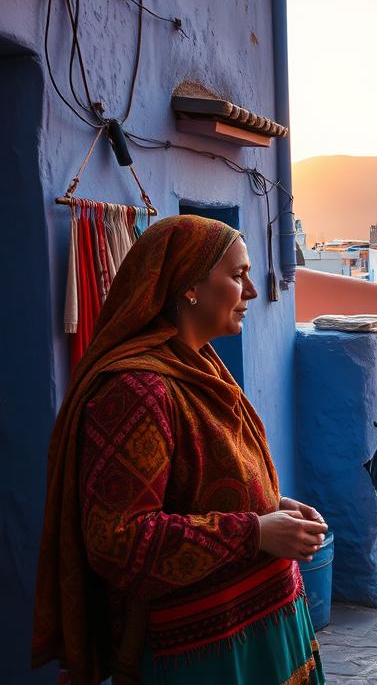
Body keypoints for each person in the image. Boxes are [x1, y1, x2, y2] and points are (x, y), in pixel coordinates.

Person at [32, 215, 327, 685]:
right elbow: (119, 539)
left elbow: (201, 486)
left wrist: (274, 509)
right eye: (236, 275)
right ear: (189, 286)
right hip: (205, 651)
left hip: (259, 627)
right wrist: (254, 533)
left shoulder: (200, 365)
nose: (250, 291)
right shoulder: (137, 390)